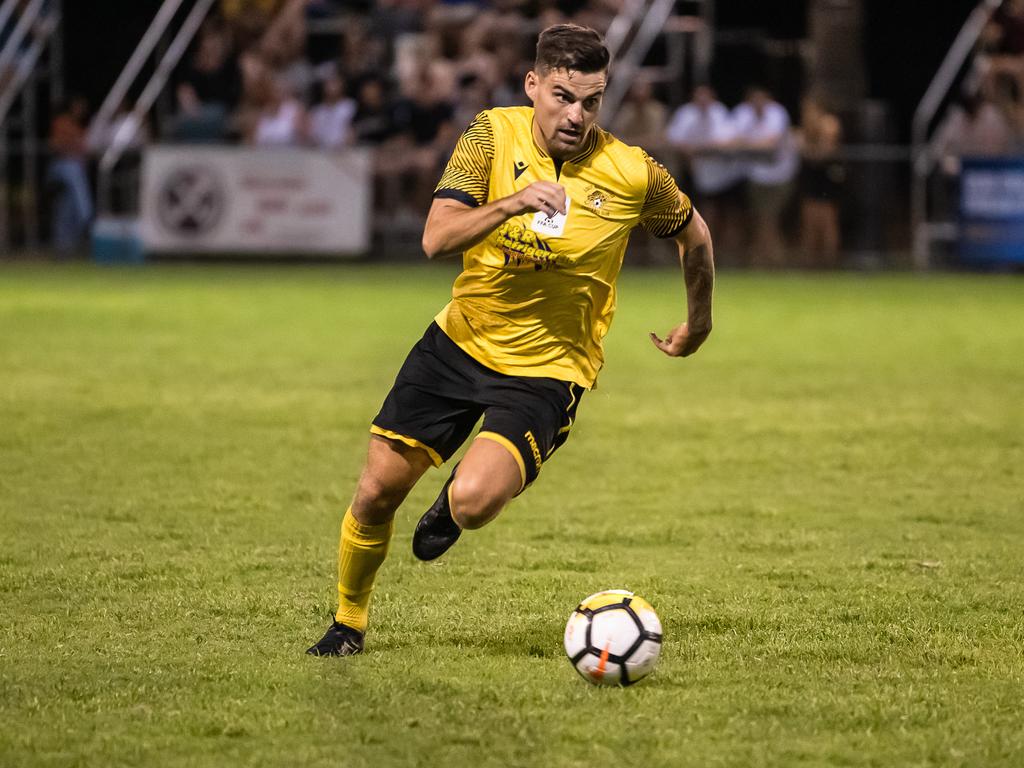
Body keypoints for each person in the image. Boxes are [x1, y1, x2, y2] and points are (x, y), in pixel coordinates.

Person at [307, 24, 715, 657]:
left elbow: (696, 236)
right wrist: (512, 203)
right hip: (460, 342)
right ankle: (347, 623)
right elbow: (435, 240)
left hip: (548, 370)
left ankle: (450, 503)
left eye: (591, 101)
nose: (575, 115)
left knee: (471, 504)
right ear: (533, 86)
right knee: (376, 492)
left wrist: (700, 320)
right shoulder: (491, 135)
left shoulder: (632, 174)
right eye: (561, 96)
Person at [666, 84, 745, 263]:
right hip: (696, 175)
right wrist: (689, 150)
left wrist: (702, 147)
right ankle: (698, 251)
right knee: (699, 215)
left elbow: (729, 139)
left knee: (727, 215)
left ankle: (725, 253)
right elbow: (673, 138)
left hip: (723, 175)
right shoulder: (686, 114)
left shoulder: (719, 112)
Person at [732, 85, 799, 267]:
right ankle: (767, 257)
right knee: (761, 218)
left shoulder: (777, 113)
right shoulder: (743, 113)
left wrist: (745, 144)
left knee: (769, 218)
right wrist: (750, 144)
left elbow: (770, 144)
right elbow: (732, 139)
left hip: (780, 176)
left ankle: (774, 259)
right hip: (756, 176)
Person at [797, 96, 844, 268]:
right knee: (809, 219)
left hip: (827, 174)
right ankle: (810, 263)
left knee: (827, 220)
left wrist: (807, 149)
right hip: (812, 175)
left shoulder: (829, 123)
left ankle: (830, 262)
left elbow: (824, 153)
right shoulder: (807, 125)